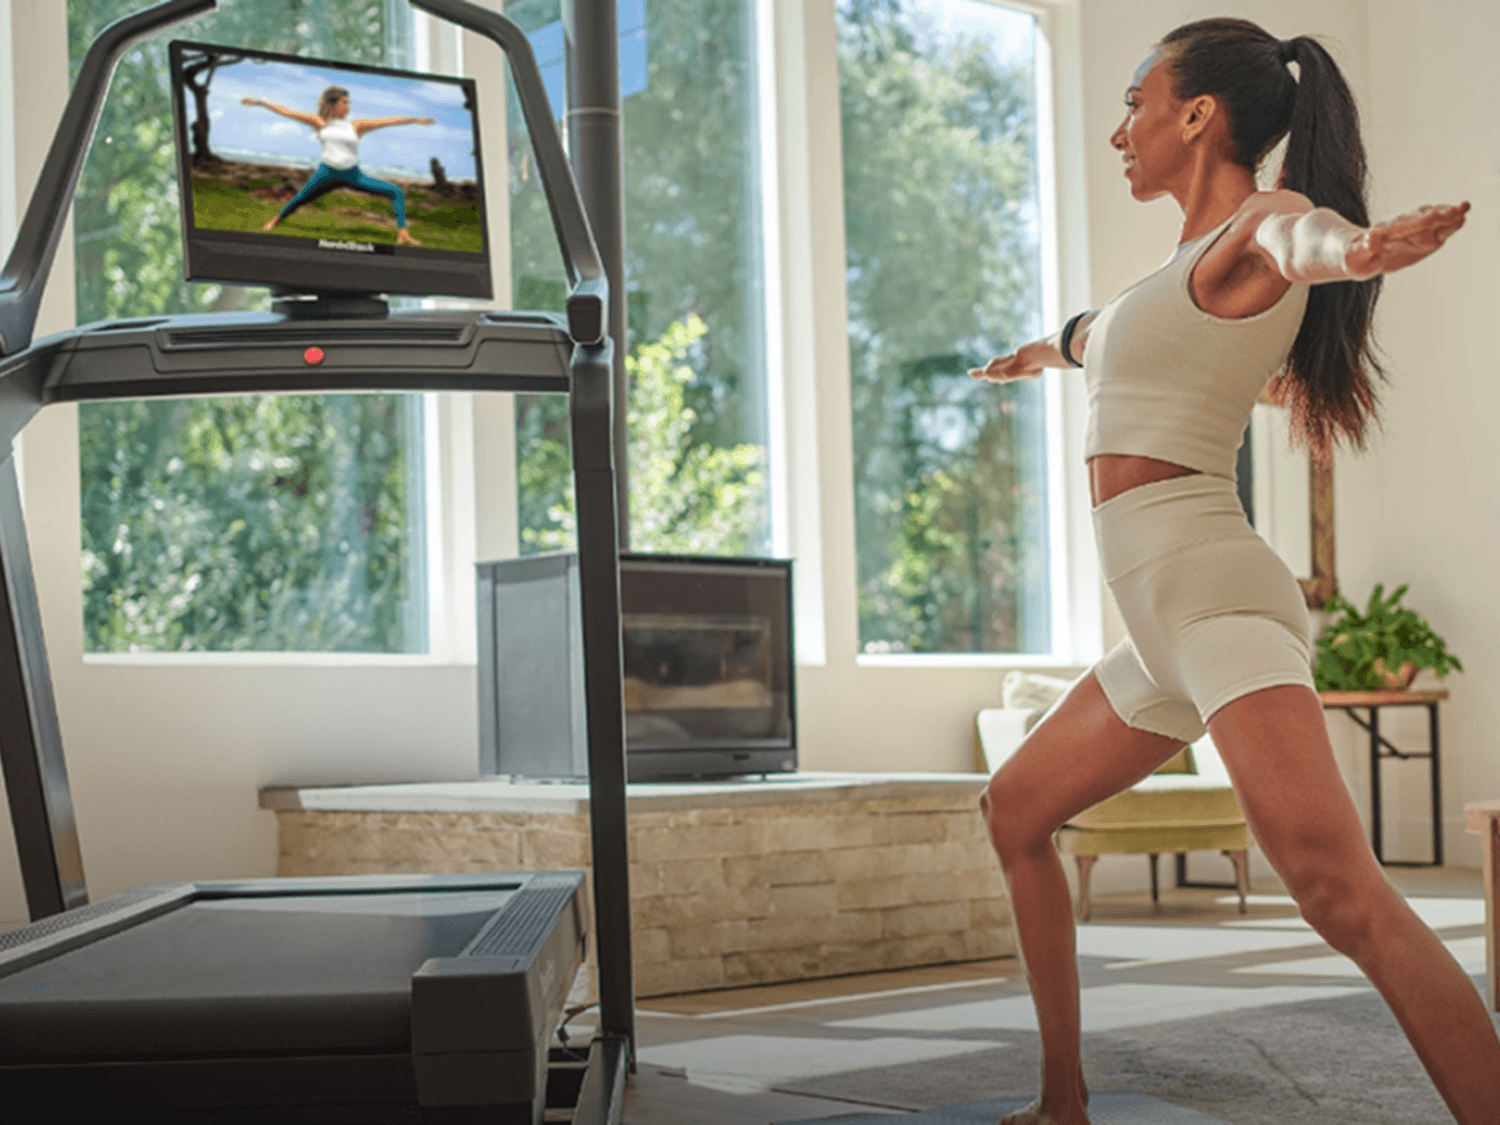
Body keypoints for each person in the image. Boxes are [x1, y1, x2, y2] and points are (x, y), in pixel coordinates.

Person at [967, 18, 1498, 1125]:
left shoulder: (1266, 224)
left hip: (1214, 598)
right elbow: (1097, 334)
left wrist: (1362, 252)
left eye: (1134, 103)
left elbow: (1308, 245)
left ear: (1197, 113)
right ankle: (1061, 1101)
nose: (1121, 130)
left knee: (1339, 893)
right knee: (1016, 810)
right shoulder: (1172, 268)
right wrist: (1043, 352)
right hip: (1157, 631)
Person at [241, 86, 434, 246]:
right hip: (326, 173)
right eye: (344, 102)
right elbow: (288, 111)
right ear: (332, 104)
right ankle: (275, 221)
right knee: (301, 198)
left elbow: (387, 121)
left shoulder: (357, 125)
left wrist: (414, 120)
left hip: (353, 174)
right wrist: (260, 102)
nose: (348, 106)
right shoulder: (320, 122)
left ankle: (403, 233)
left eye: (348, 102)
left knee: (396, 191)